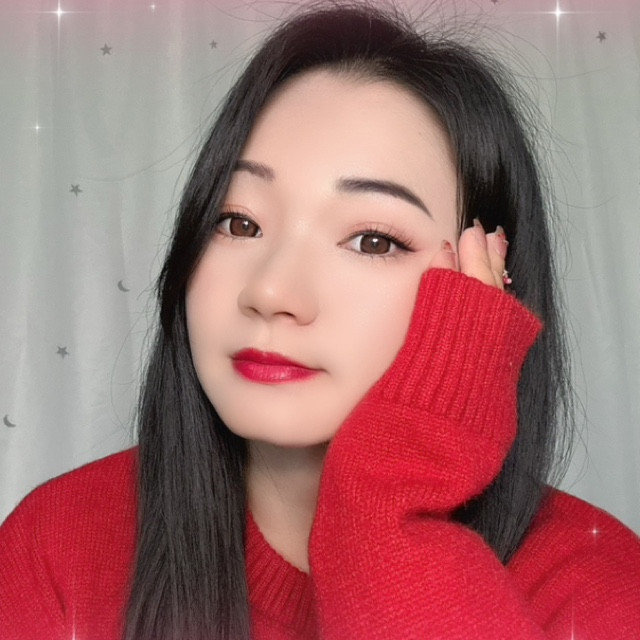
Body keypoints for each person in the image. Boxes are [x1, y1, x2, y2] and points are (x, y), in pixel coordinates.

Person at [1, 3, 639, 639]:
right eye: (239, 223)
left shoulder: (596, 591)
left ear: (488, 286)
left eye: (372, 240)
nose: (271, 291)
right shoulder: (55, 546)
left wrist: (387, 505)